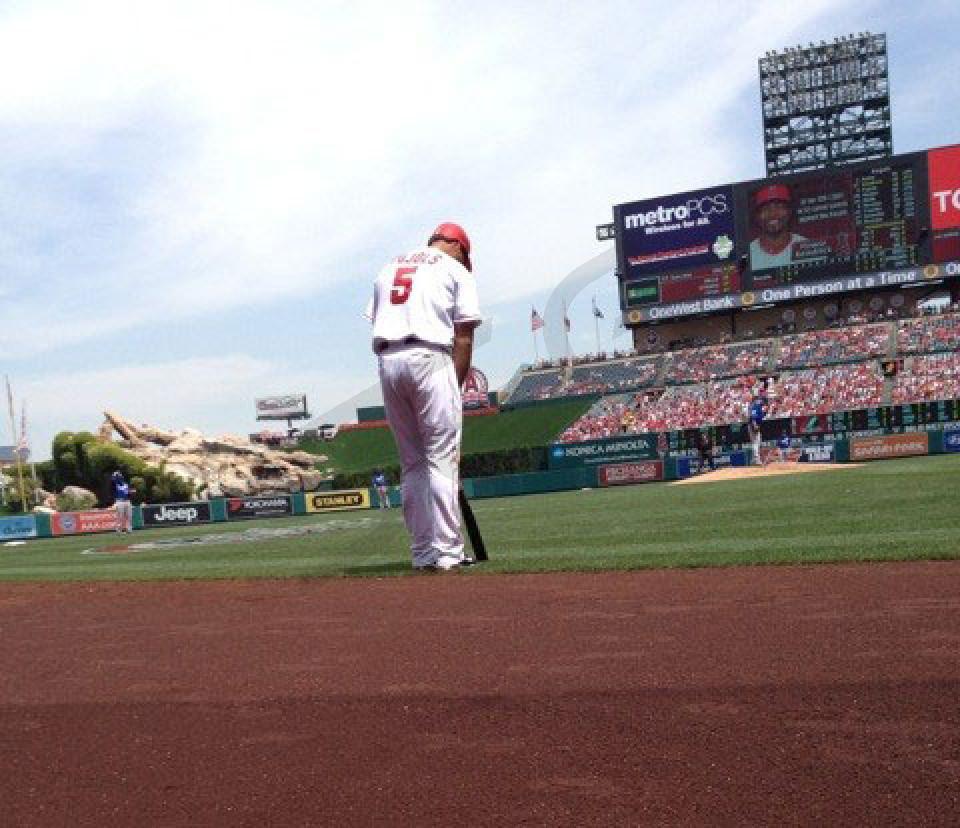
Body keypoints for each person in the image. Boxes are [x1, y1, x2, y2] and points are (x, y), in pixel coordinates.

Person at [366, 222, 482, 572]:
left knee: (413, 463)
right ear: (459, 248)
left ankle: (422, 552)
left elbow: (377, 316)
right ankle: (448, 552)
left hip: (388, 360)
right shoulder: (454, 269)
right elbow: (463, 338)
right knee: (442, 459)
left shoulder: (389, 266)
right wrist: (455, 386)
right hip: (430, 357)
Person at [748, 184, 812, 270]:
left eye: (779, 206)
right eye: (765, 208)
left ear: (789, 211)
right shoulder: (747, 255)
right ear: (757, 215)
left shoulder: (807, 248)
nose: (773, 214)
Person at [747, 393, 767, 466]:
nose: (760, 400)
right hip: (753, 425)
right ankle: (757, 460)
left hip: (755, 425)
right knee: (756, 442)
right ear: (756, 400)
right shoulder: (755, 406)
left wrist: (764, 412)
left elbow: (761, 416)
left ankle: (754, 459)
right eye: (759, 399)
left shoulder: (758, 406)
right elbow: (753, 417)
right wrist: (755, 425)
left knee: (757, 441)